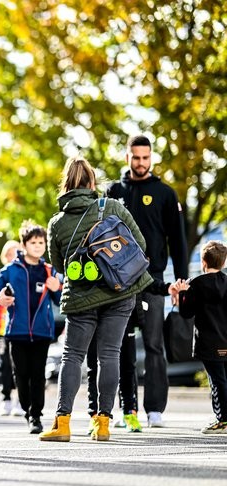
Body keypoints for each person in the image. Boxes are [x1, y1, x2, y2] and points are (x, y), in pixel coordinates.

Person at [39, 156, 152, 443]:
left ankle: (62, 423)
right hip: (120, 290)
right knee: (110, 354)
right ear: (91, 182)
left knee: (73, 356)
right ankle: (103, 423)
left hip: (81, 296)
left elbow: (61, 266)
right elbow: (141, 243)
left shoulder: (57, 222)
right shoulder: (111, 206)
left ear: (65, 184)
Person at [105, 135, 188, 428]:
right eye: (135, 157)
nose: (141, 163)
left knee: (153, 345)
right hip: (118, 283)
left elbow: (178, 240)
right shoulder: (113, 191)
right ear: (127, 156)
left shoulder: (165, 193)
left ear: (151, 158)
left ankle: (155, 410)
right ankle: (125, 409)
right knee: (118, 347)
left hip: (153, 282)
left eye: (145, 158)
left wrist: (181, 282)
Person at [0, 222, 62, 434]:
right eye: (33, 242)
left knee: (38, 375)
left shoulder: (49, 270)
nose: (38, 246)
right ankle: (25, 408)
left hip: (42, 331)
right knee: (21, 374)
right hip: (16, 331)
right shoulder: (10, 270)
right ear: (24, 245)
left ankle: (36, 416)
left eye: (41, 242)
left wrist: (57, 289)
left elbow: (61, 300)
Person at [169, 240, 227, 434]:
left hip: (208, 342)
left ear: (203, 262)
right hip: (226, 339)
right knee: (224, 379)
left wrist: (182, 295)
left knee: (216, 381)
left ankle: (222, 420)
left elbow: (186, 313)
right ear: (224, 262)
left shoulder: (197, 284)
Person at [0, 240, 24, 417]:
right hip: (4, 329)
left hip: (20, 327)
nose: (15, 257)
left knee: (19, 365)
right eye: (11, 253)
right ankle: (5, 399)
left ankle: (21, 399)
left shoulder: (24, 273)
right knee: (3, 365)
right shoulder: (0, 275)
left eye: (17, 253)